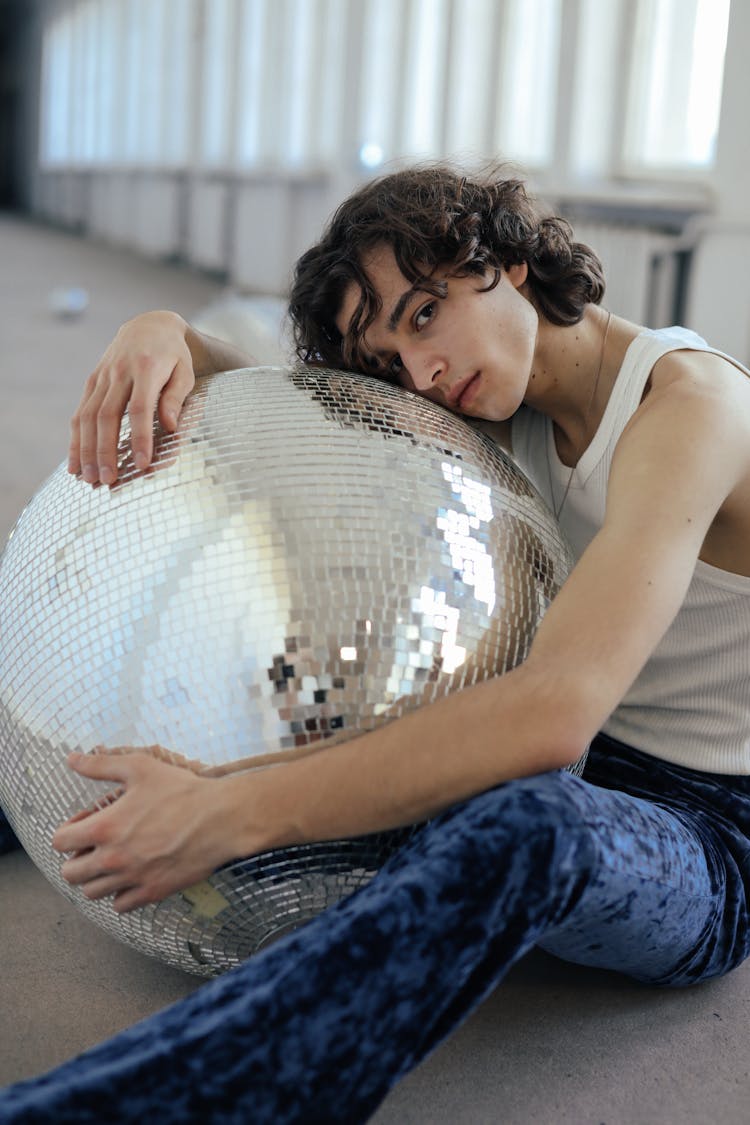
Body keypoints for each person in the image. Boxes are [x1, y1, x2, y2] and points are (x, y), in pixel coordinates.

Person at [2, 164, 750, 1122]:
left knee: (531, 822)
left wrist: (233, 815)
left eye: (426, 313)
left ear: (507, 261)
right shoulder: (486, 398)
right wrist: (162, 330)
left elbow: (557, 714)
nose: (423, 374)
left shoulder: (688, 409)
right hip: (539, 748)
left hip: (699, 830)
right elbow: (297, 408)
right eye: (392, 360)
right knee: (279, 698)